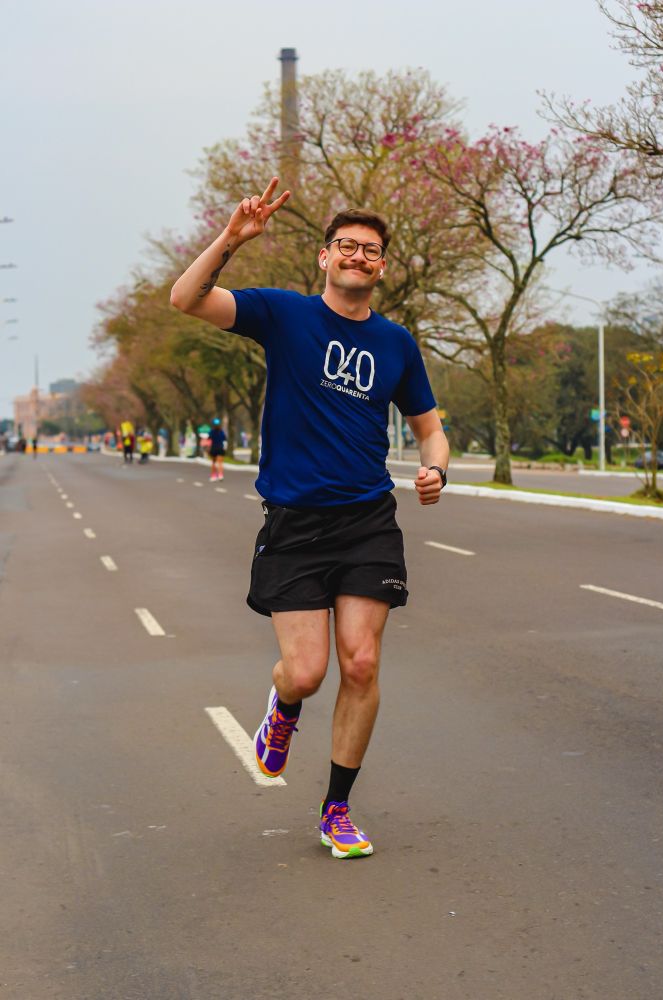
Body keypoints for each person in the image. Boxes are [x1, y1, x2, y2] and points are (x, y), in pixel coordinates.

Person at [170, 177, 449, 859]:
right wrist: (231, 239)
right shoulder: (283, 314)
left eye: (371, 250)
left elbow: (430, 428)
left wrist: (436, 468)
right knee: (305, 672)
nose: (358, 256)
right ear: (324, 257)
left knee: (362, 662)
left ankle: (336, 810)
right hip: (295, 523)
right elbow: (186, 299)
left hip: (367, 521)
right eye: (346, 246)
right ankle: (284, 708)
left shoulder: (396, 343)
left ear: (382, 266)